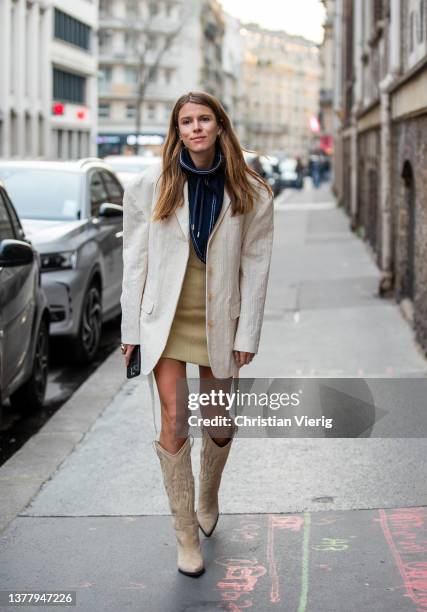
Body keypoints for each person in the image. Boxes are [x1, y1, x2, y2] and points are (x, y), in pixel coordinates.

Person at [120, 91, 274, 578]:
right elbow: (135, 262)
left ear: (220, 125)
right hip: (163, 318)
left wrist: (247, 332)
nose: (196, 128)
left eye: (204, 119)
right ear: (178, 130)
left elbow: (257, 263)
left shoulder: (250, 189)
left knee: (218, 418)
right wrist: (131, 330)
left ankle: (208, 491)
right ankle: (185, 533)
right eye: (186, 121)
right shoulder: (151, 185)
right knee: (173, 415)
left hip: (218, 317)